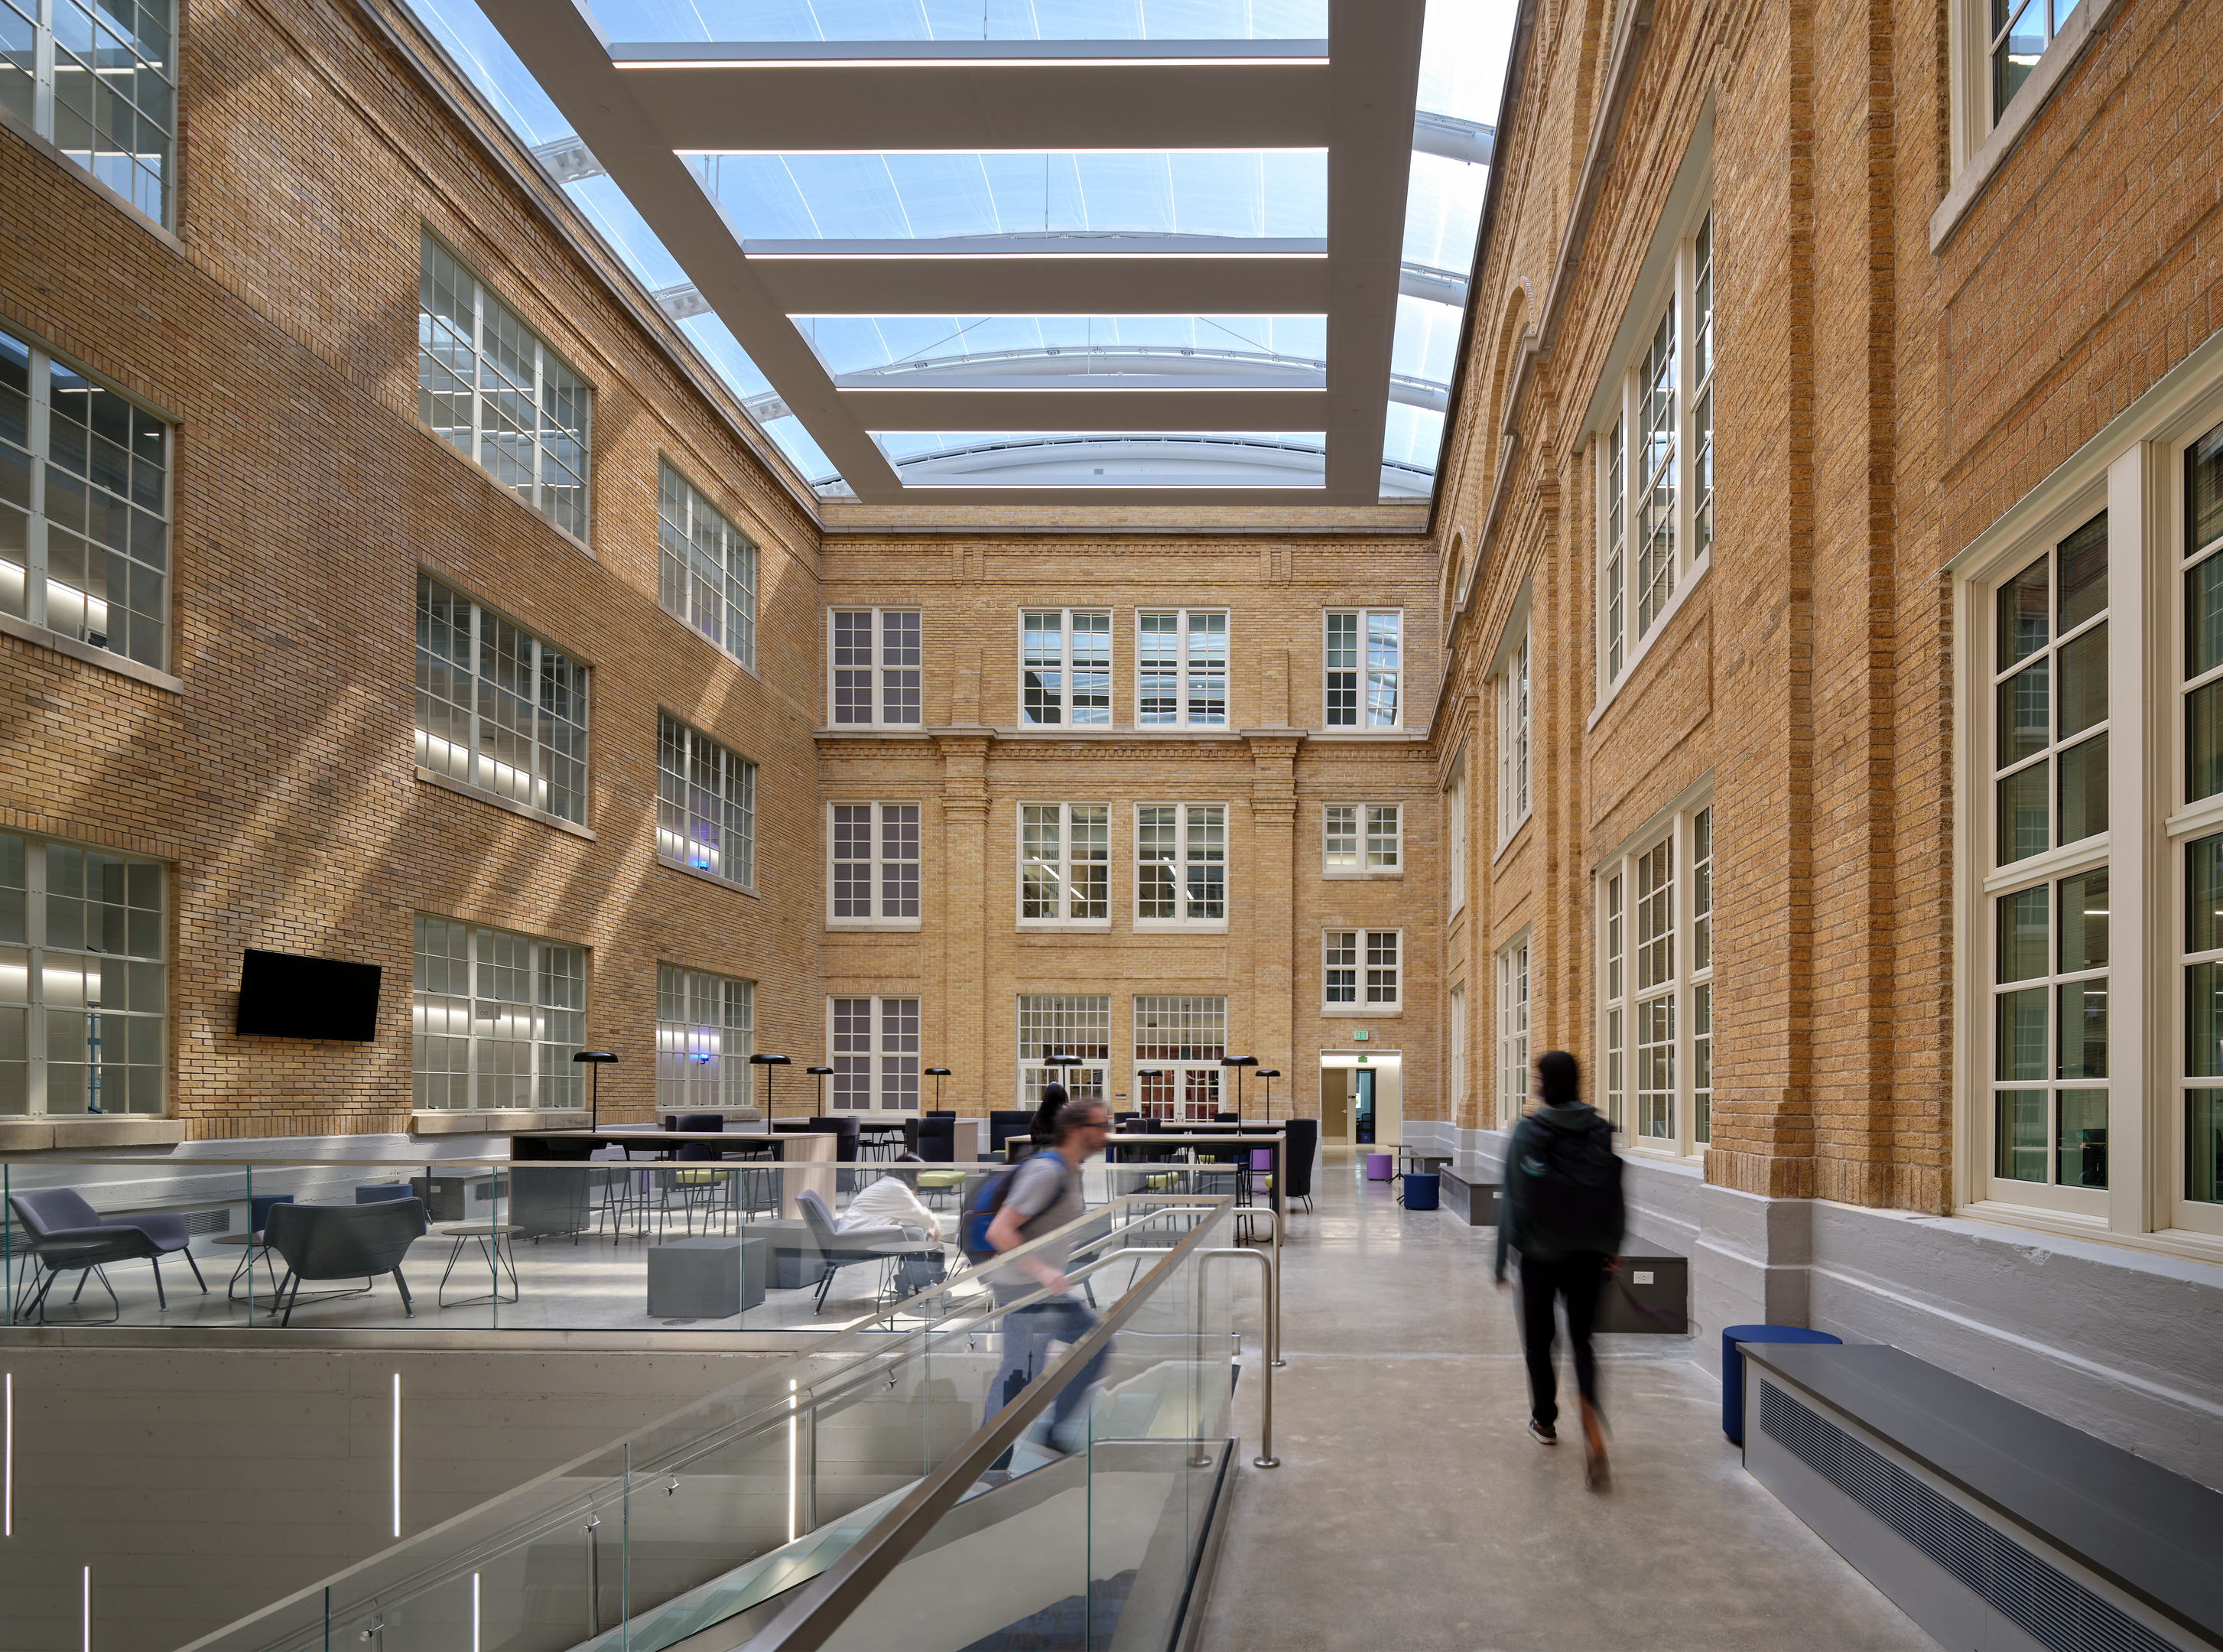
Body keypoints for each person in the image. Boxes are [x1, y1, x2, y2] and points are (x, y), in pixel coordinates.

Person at [1493, 1049, 1624, 1486]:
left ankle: (1545, 1420)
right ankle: (1589, 1411)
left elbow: (1512, 1200)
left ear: (1545, 1084)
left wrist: (1499, 1261)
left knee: (1540, 1342)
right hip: (1589, 1256)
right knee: (1583, 1341)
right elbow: (1615, 1191)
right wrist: (1611, 1246)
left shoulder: (1530, 1132)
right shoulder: (1599, 1128)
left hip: (1540, 1257)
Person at [982, 1097, 1113, 1454]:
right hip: (1024, 1291)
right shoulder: (1047, 1172)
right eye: (1100, 1125)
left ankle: (1047, 1437)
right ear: (1075, 1131)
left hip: (1038, 1291)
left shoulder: (1070, 1168)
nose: (1107, 1132)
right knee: (1018, 1378)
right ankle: (988, 1464)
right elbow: (1000, 1231)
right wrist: (1043, 1270)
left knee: (1085, 1349)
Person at [835, 1151, 946, 1242]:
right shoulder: (897, 1189)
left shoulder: (887, 1182)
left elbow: (909, 1215)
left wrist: (928, 1227)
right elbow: (921, 1215)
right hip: (857, 1235)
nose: (920, 1178)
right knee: (916, 1233)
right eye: (919, 1174)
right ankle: (922, 1269)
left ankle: (916, 1268)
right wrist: (936, 1227)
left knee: (914, 1232)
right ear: (911, 1173)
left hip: (853, 1229)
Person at [1027, 1079, 1069, 1146]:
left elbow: (1034, 1141)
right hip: (1061, 1152)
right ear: (1064, 1096)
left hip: (1041, 1153)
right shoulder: (1067, 1113)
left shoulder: (1037, 1116)